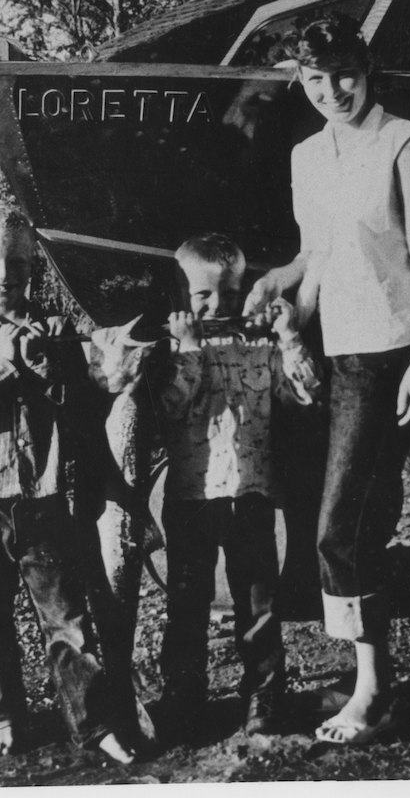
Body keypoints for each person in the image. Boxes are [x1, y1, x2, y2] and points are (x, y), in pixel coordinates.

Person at [243, 13, 410, 745]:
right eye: (314, 79)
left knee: (340, 529)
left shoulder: (403, 142)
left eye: (344, 73)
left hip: (381, 353)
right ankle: (368, 673)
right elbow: (314, 254)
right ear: (300, 81)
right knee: (334, 520)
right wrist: (277, 280)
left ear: (367, 65)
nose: (332, 91)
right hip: (323, 353)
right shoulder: (305, 156)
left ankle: (375, 691)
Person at [0, 204, 135, 763]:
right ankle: (2, 714)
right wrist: (1, 364)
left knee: (67, 620)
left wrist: (52, 368)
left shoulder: (54, 331)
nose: (5, 275)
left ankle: (92, 726)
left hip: (42, 500)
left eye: (19, 263)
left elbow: (82, 405)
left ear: (34, 269)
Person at [156, 233, 322, 736]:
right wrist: (187, 352)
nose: (217, 304)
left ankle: (264, 697)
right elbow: (168, 408)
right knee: (186, 604)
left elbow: (306, 394)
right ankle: (184, 698)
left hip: (251, 494)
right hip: (191, 496)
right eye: (203, 295)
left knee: (258, 603)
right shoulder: (174, 347)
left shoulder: (260, 344)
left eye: (228, 293)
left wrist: (290, 336)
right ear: (183, 296)